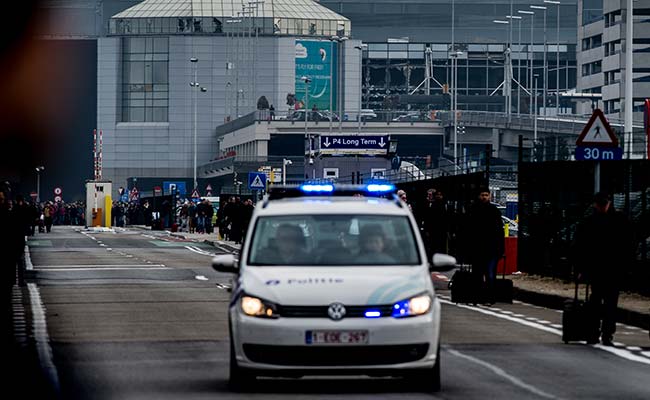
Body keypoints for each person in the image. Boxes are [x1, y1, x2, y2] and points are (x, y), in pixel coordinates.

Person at [573, 192, 635, 346]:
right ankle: (605, 334)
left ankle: (596, 333)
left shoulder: (589, 222)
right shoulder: (620, 221)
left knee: (597, 302)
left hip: (598, 269)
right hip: (611, 269)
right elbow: (629, 245)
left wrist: (580, 268)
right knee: (608, 303)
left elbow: (580, 247)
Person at [466, 188, 504, 305]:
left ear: (490, 196)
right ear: (479, 196)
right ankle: (480, 297)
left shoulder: (493, 211)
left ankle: (488, 298)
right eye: (482, 195)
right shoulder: (473, 210)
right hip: (478, 247)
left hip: (490, 248)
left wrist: (500, 248)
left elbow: (499, 231)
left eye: (486, 195)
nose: (484, 197)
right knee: (478, 274)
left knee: (489, 274)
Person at [419, 188, 449, 259]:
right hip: (434, 230)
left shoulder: (442, 204)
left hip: (440, 230)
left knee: (439, 247)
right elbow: (428, 218)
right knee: (433, 247)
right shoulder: (432, 204)